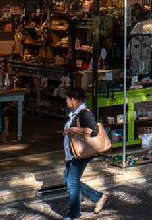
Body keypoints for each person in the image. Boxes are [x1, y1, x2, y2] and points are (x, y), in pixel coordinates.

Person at [61, 87, 108, 218]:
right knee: (67, 181)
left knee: (72, 182)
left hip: (80, 154)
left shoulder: (84, 113)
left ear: (74, 100)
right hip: (72, 154)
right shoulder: (75, 113)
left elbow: (93, 131)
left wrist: (73, 129)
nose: (67, 101)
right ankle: (97, 196)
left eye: (68, 99)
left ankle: (74, 214)